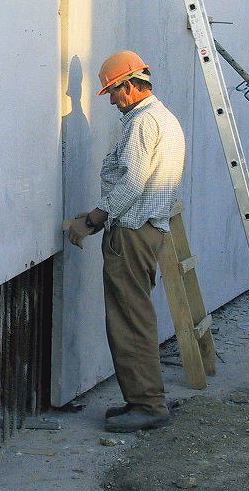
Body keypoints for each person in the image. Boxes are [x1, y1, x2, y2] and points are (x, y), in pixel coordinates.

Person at [67, 50, 186, 433]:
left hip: (132, 234)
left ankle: (148, 405)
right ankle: (141, 399)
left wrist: (91, 220)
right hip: (147, 231)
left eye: (113, 92)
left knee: (129, 319)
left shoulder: (141, 123)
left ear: (131, 85)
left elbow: (132, 182)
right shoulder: (163, 119)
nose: (112, 100)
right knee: (135, 316)